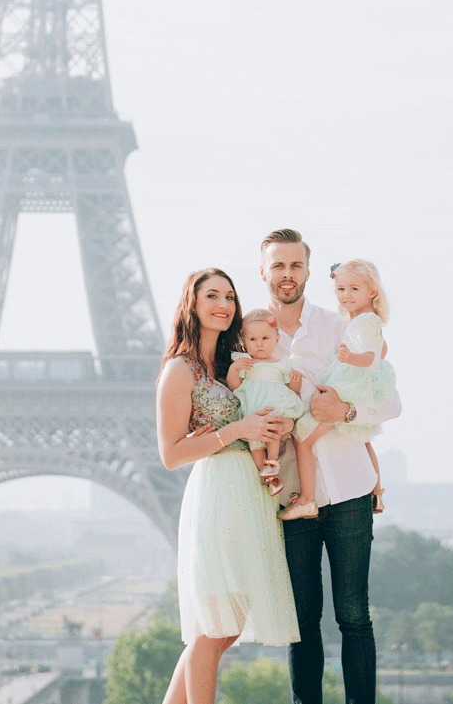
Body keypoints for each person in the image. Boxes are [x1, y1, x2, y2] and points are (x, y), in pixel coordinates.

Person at [259, 229, 401, 704]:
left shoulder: (343, 326)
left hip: (350, 490)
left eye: (295, 265)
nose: (287, 274)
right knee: (302, 623)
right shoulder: (248, 336)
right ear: (264, 273)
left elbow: (391, 402)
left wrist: (344, 412)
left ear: (307, 272)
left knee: (354, 617)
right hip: (293, 495)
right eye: (278, 265)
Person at [156, 268, 299, 704]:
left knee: (226, 626)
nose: (224, 304)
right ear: (192, 305)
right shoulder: (180, 370)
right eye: (212, 295)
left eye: (230, 296)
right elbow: (171, 454)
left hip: (249, 494)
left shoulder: (236, 364)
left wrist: (282, 420)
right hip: (218, 491)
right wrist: (238, 428)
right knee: (214, 626)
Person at [277, 259, 394, 521]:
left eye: (354, 289)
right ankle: (376, 491)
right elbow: (381, 352)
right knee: (364, 440)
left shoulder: (360, 323)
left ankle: (307, 500)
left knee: (302, 438)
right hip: (352, 387)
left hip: (346, 388)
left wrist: (350, 360)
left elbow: (373, 358)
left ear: (372, 291)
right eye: (341, 289)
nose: (345, 295)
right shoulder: (366, 321)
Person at [227, 309, 305, 497]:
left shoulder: (282, 363)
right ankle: (268, 477)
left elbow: (293, 389)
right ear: (244, 341)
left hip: (273, 406)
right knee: (255, 443)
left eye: (264, 338)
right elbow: (234, 386)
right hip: (253, 408)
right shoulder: (245, 362)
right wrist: (234, 368)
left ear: (276, 340)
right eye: (252, 340)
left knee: (273, 429)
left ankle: (273, 461)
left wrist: (295, 379)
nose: (259, 344)